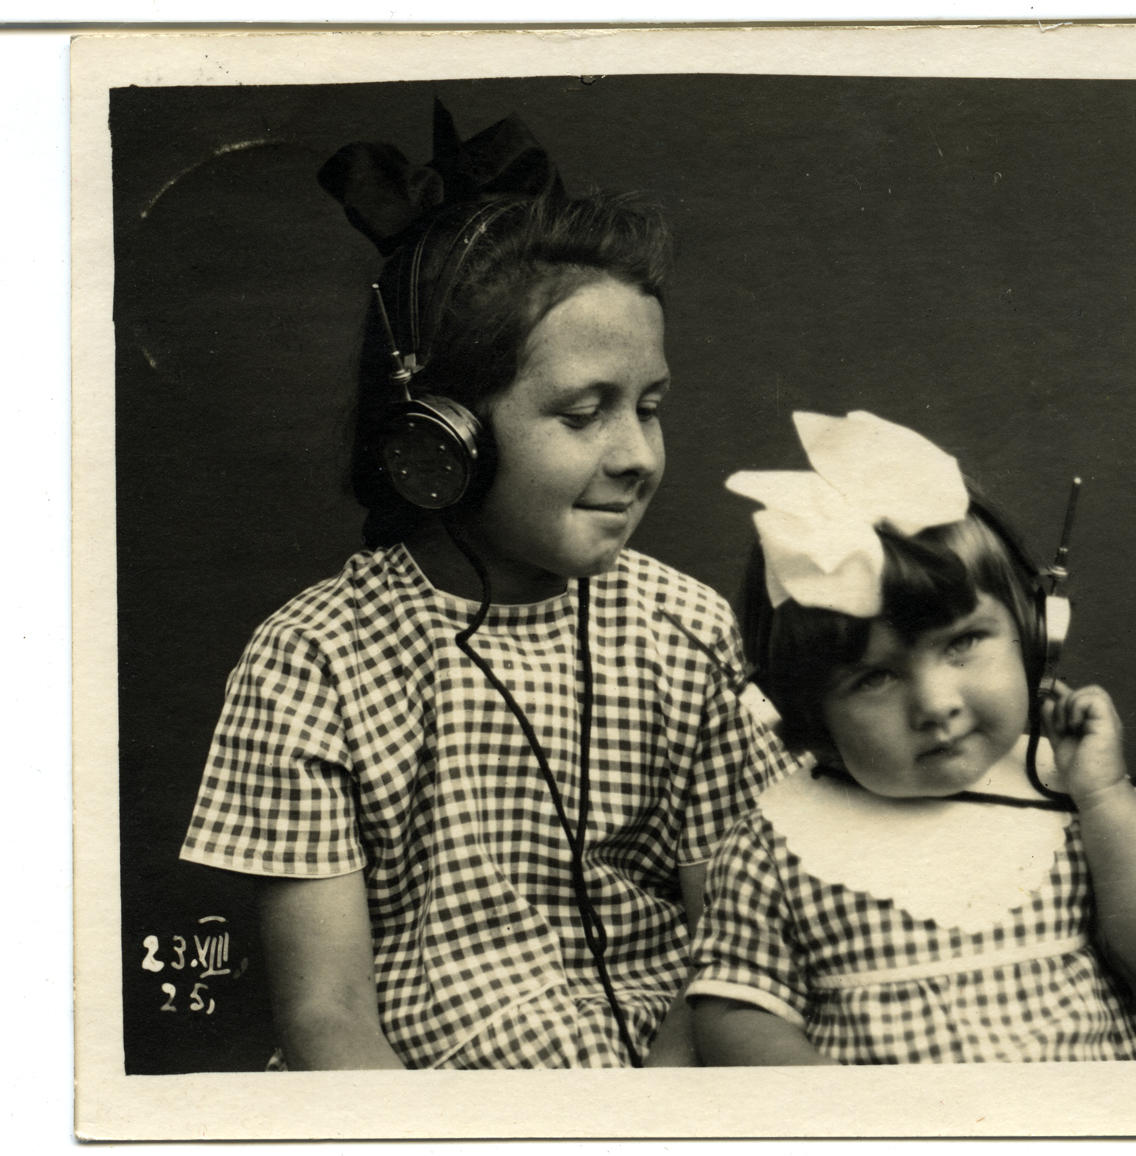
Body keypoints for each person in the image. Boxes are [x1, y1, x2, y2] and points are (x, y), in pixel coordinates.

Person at [179, 105, 793, 1069]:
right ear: (439, 441)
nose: (636, 455)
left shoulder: (687, 627)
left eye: (651, 408)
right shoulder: (312, 659)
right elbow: (328, 1021)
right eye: (585, 413)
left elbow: (735, 953)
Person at [687, 410, 1136, 1064]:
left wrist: (1106, 796)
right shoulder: (777, 839)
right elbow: (732, 1013)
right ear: (805, 709)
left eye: (963, 642)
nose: (935, 705)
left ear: (1034, 633)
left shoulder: (1066, 789)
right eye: (875, 678)